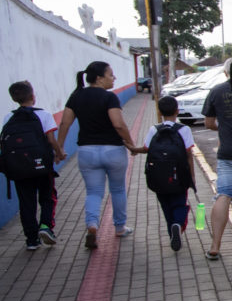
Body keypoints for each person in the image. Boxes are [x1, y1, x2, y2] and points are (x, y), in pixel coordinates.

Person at [57, 61, 139, 249]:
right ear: (100, 78)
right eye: (111, 74)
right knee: (117, 189)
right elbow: (118, 124)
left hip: (87, 152)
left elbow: (65, 124)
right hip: (113, 151)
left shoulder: (76, 96)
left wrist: (60, 147)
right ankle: (119, 227)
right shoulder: (109, 97)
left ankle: (92, 225)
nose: (114, 78)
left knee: (93, 192)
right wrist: (132, 145)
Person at [3, 81, 66, 249]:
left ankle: (31, 240)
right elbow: (51, 140)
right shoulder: (44, 114)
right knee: (47, 197)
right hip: (42, 167)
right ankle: (46, 227)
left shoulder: (8, 117)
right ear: (33, 96)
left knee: (26, 202)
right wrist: (60, 154)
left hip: (19, 169)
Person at [139, 96, 195, 252]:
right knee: (179, 203)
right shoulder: (184, 129)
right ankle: (177, 225)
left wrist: (132, 149)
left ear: (159, 112)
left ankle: (171, 229)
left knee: (166, 205)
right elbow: (188, 154)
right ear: (177, 111)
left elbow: (146, 149)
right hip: (179, 176)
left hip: (158, 178)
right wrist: (192, 178)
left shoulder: (153, 129)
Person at [202, 63, 232, 261]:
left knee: (223, 196)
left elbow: (209, 123)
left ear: (226, 72)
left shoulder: (217, 91)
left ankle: (215, 245)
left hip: (227, 153)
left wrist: (224, 128)